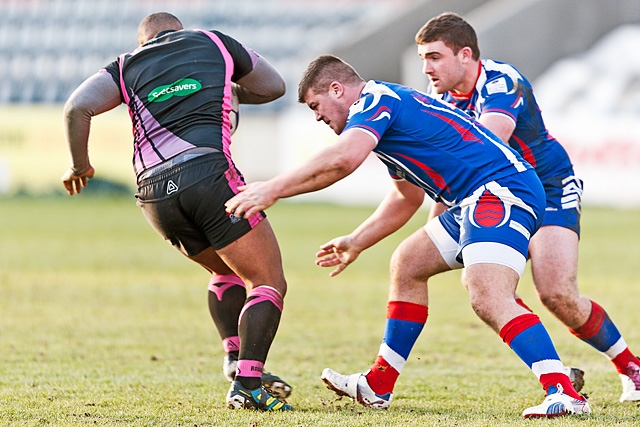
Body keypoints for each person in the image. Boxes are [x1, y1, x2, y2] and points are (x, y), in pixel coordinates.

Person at [225, 54, 590, 418]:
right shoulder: (384, 120)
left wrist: (272, 188)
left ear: (338, 89)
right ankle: (377, 384)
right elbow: (406, 197)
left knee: (487, 294)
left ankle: (563, 390)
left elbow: (342, 160)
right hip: (472, 198)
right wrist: (357, 240)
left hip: (500, 190)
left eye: (316, 106)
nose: (318, 116)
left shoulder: (375, 100)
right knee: (408, 263)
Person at [61, 12, 293, 411]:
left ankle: (236, 359)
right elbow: (274, 86)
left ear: (143, 41)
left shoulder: (125, 64)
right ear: (178, 32)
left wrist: (80, 166)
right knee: (267, 280)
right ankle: (249, 386)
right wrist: (228, 89)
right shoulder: (214, 42)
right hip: (208, 174)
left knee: (225, 270)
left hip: (154, 195)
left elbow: (77, 107)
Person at [415, 11, 640, 403]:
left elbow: (489, 145)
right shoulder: (443, 99)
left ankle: (631, 368)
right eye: (424, 59)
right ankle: (555, 368)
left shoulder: (502, 80)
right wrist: (436, 227)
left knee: (557, 293)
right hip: (500, 195)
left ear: (465, 55)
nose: (426, 69)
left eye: (434, 57)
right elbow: (449, 175)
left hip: (548, 188)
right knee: (484, 287)